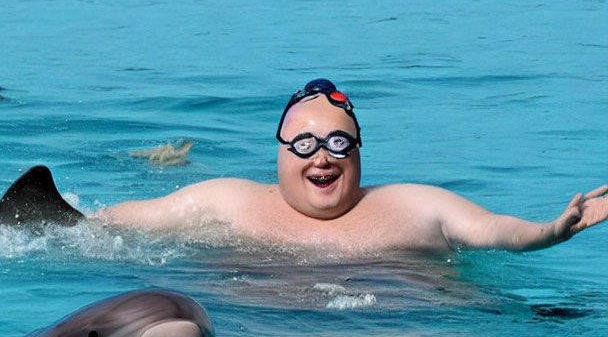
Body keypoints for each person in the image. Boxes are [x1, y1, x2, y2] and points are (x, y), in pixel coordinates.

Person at [95, 79, 608, 255]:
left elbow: (493, 229)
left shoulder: (414, 206)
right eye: (304, 144)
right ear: (278, 151)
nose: (322, 157)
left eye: (338, 143)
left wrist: (550, 232)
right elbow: (109, 227)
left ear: (359, 152)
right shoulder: (226, 201)